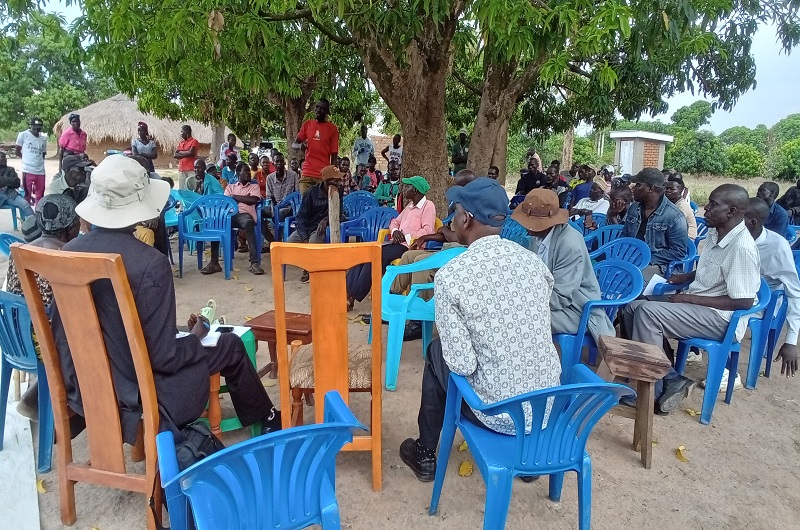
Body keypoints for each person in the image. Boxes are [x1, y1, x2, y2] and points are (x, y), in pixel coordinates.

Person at [49, 155, 281, 443]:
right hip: (145, 394)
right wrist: (195, 336)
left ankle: (265, 414)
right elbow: (164, 358)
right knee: (229, 344)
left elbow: (66, 330)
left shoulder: (67, 253)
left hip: (86, 388)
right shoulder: (150, 262)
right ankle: (267, 416)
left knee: (186, 337)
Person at [399, 177, 561, 482]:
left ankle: (424, 451)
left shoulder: (451, 276)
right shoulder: (534, 264)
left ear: (466, 218)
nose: (451, 218)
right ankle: (527, 464)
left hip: (498, 416)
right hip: (542, 411)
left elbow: (461, 364)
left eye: (454, 211)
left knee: (437, 352)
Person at [620, 184, 760, 414]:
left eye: (713, 205)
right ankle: (670, 377)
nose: (706, 209)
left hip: (722, 319)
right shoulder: (717, 233)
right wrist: (687, 276)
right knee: (632, 307)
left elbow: (744, 301)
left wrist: (689, 299)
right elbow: (716, 270)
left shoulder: (741, 247)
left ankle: (650, 392)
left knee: (648, 313)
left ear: (732, 211)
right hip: (700, 305)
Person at [7, 194, 81, 419]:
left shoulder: (19, 251)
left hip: (14, 339)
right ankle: (71, 406)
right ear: (70, 228)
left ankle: (38, 396)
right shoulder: (69, 256)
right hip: (46, 345)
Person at [513, 188, 615, 341]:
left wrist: (524, 303)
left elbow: (561, 296)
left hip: (577, 310)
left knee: (520, 320)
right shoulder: (537, 237)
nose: (527, 227)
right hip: (549, 302)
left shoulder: (569, 244)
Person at [393, 169, 478, 340]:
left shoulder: (474, 208)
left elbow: (464, 238)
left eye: (459, 186)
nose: (456, 189)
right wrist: (426, 236)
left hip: (463, 253)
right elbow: (445, 232)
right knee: (408, 257)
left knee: (420, 261)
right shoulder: (457, 205)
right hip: (448, 247)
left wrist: (446, 231)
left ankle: (419, 320)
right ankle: (393, 300)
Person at [346, 176, 436, 307]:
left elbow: (427, 231)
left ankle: (352, 296)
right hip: (396, 242)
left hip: (410, 247)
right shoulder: (410, 206)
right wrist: (395, 232)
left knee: (377, 256)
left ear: (415, 190)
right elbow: (395, 221)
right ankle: (348, 292)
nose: (404, 189)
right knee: (365, 252)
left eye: (407, 187)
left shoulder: (428, 206)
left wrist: (405, 236)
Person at [744, 197, 799, 378]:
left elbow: (794, 292)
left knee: (726, 316)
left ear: (753, 222)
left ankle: (728, 370)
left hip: (761, 302)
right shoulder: (731, 236)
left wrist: (791, 340)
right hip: (731, 293)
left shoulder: (777, 246)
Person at [622, 168, 688, 281]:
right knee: (603, 274)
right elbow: (624, 238)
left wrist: (645, 258)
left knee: (631, 280)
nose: (633, 188)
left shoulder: (674, 216)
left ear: (650, 188)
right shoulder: (634, 208)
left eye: (638, 185)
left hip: (660, 266)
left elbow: (679, 252)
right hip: (632, 260)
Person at [200, 162, 264, 276]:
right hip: (230, 215)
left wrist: (234, 197)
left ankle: (254, 263)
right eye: (245, 171)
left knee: (249, 223)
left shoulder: (254, 186)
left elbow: (253, 200)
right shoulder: (230, 187)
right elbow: (225, 202)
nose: (249, 173)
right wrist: (244, 198)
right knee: (216, 222)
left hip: (245, 215)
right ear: (238, 173)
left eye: (249, 171)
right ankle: (214, 263)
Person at [287, 165, 345, 282]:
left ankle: (309, 269)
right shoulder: (311, 193)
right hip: (307, 225)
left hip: (321, 227)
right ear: (328, 182)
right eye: (337, 180)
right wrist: (304, 237)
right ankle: (306, 263)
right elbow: (301, 217)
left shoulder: (338, 191)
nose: (340, 182)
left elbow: (338, 212)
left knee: (314, 242)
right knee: (290, 244)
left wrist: (325, 220)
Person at [294, 98, 339, 193]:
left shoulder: (333, 129)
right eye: (317, 107)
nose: (318, 110)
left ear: (327, 111)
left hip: (322, 176)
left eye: (322, 108)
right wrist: (299, 146)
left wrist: (331, 176)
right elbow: (294, 144)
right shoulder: (307, 124)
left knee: (320, 205)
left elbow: (334, 156)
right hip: (307, 174)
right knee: (306, 205)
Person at [263, 152, 299, 243]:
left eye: (281, 161)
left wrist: (277, 209)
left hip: (290, 206)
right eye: (277, 161)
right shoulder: (270, 178)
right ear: (273, 163)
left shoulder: (293, 175)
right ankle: (271, 239)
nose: (279, 163)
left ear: (284, 163)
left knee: (281, 212)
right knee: (258, 212)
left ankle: (282, 240)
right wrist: (273, 209)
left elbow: (297, 194)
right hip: (275, 205)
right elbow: (270, 197)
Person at [15, 116, 47, 206]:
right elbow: (17, 151)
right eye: (35, 129)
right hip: (28, 170)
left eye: (39, 129)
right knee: (27, 194)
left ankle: (38, 215)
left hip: (40, 171)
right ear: (31, 126)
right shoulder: (23, 135)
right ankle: (26, 217)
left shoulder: (43, 139)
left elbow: (43, 154)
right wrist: (26, 158)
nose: (37, 131)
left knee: (40, 195)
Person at [0, 152, 34, 220]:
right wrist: (9, 181)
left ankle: (36, 225)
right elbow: (13, 181)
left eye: (5, 157)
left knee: (25, 205)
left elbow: (17, 183)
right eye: (3, 157)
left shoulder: (10, 169)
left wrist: (2, 180)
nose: (6, 159)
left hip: (11, 195)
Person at [665, 175, 698, 240]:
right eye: (666, 188)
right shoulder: (671, 202)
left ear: (680, 191)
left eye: (672, 189)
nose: (668, 191)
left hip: (688, 237)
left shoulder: (682, 206)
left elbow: (673, 224)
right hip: (677, 234)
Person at [174, 125, 199, 190]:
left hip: (191, 169)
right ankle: (182, 200)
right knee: (182, 189)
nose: (181, 133)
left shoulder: (194, 141)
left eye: (182, 131)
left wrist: (180, 152)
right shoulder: (181, 143)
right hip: (181, 169)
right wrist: (187, 152)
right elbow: (175, 155)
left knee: (192, 188)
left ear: (186, 132)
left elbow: (191, 153)